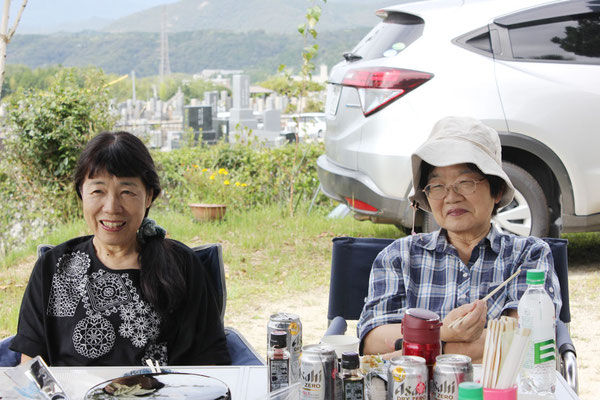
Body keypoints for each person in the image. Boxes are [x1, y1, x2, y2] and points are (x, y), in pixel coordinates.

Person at [10, 131, 231, 366]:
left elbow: (211, 361)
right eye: (98, 191)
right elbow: (31, 366)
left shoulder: (180, 265)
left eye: (127, 192)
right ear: (81, 195)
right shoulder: (56, 268)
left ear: (149, 197)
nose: (112, 207)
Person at [357, 117, 562, 363]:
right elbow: (371, 339)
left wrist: (417, 350)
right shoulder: (400, 256)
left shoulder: (528, 254)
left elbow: (521, 341)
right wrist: (442, 332)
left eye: (465, 182)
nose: (451, 197)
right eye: (437, 186)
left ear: (496, 190)